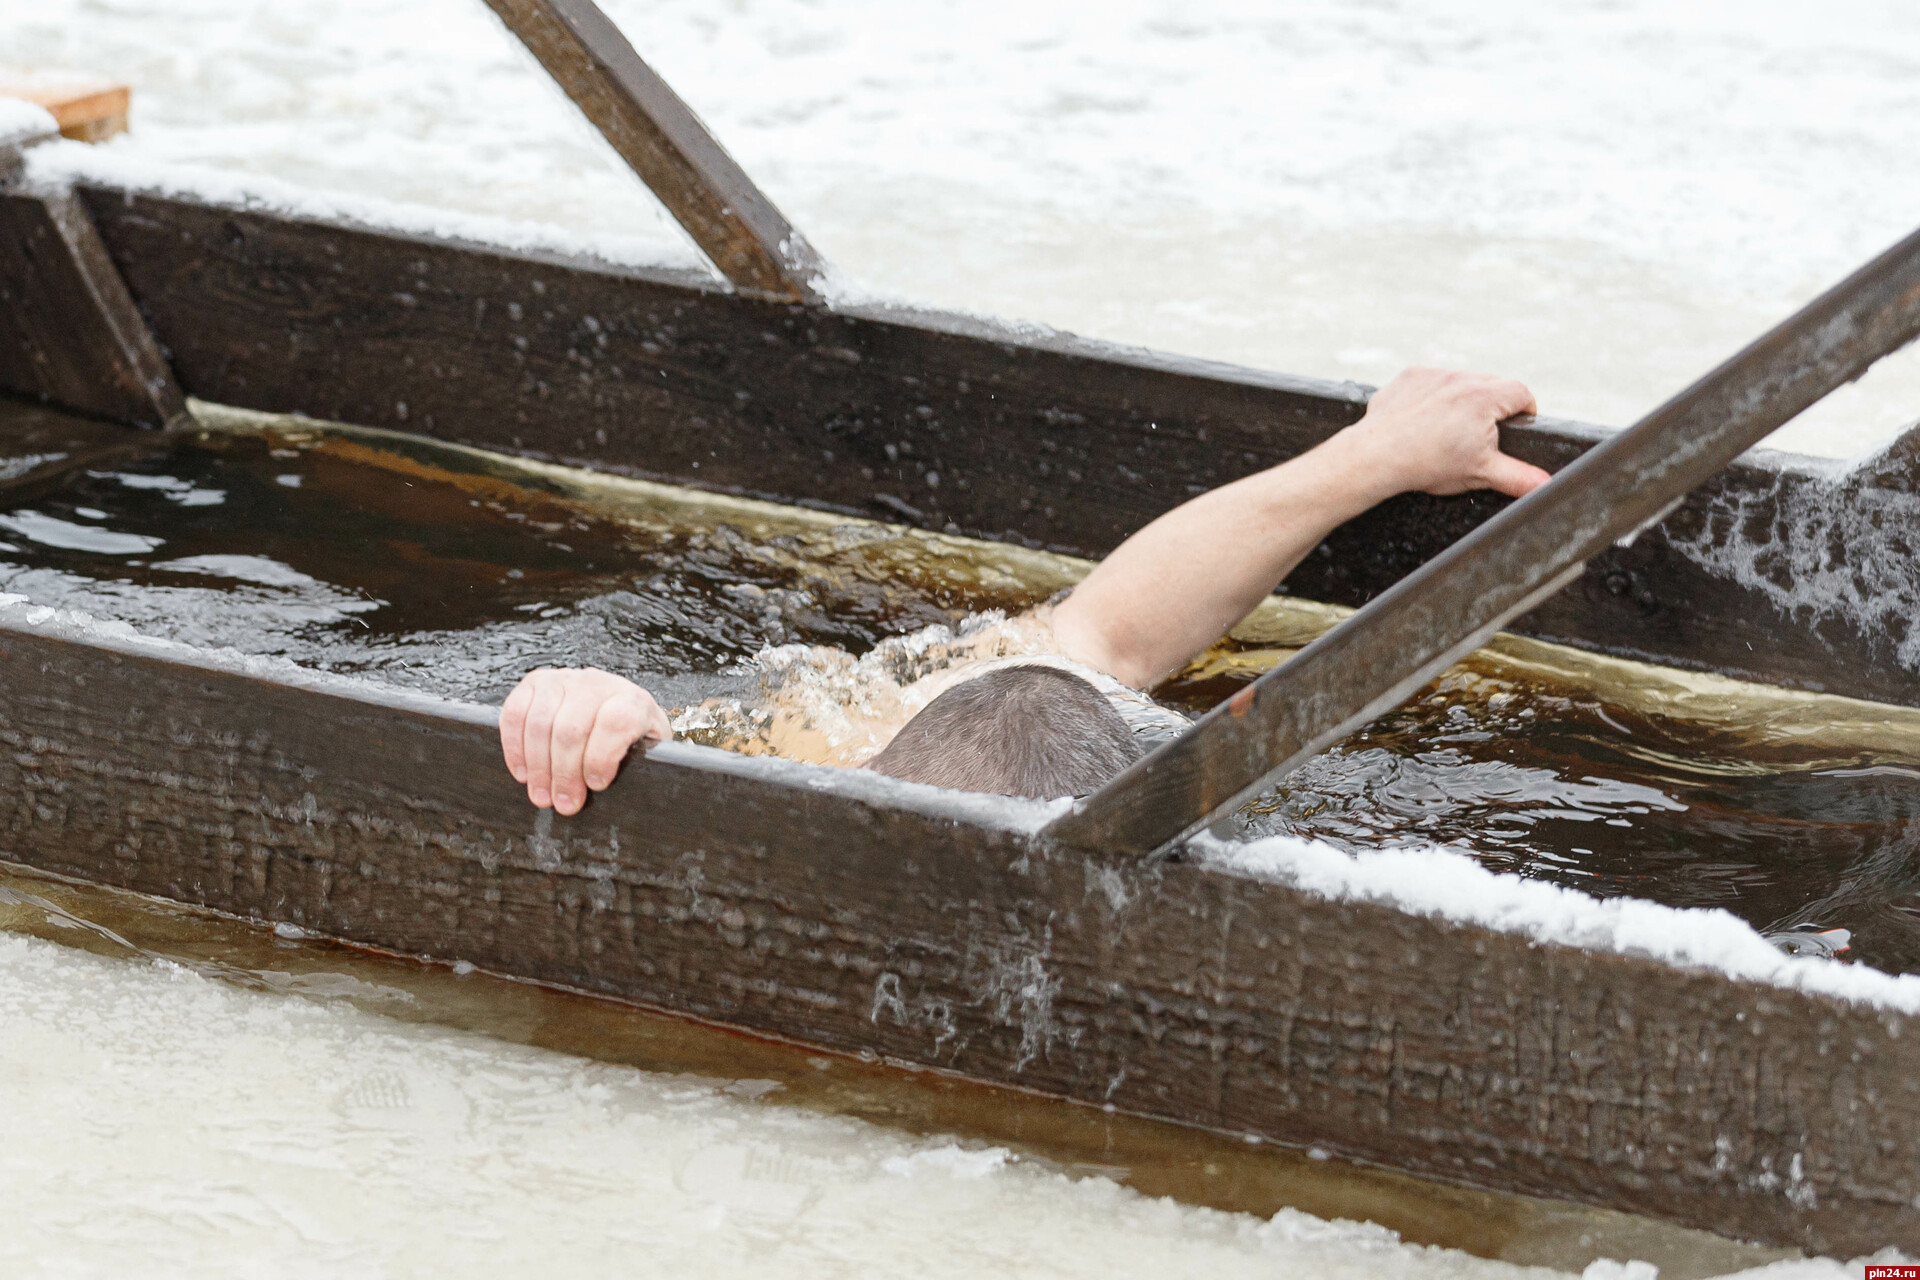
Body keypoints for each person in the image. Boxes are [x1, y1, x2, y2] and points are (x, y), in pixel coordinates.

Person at [499, 367, 1550, 814]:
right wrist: (612, 725)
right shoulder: (823, 745)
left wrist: (1379, 455)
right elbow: (1107, 626)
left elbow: (1109, 636)